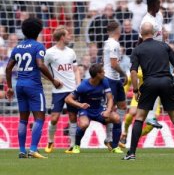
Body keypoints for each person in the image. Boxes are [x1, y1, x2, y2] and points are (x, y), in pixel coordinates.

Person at [123, 22, 174, 160]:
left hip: (149, 83)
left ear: (141, 33)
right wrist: (173, 79)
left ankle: (131, 153)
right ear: (154, 32)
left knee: (139, 118)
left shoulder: (138, 49)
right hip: (166, 82)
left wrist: (136, 90)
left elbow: (133, 72)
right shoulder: (165, 46)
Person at [5, 17, 62, 159]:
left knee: (23, 119)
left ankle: (22, 150)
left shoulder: (17, 47)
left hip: (20, 85)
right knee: (39, 118)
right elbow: (41, 64)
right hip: (34, 86)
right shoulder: (38, 46)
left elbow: (8, 68)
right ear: (38, 31)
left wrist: (10, 87)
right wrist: (53, 80)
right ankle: (33, 149)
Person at [65, 64, 123, 154]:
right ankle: (76, 145)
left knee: (116, 118)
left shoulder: (104, 81)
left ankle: (115, 146)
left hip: (99, 109)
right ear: (97, 74)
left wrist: (108, 110)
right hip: (86, 110)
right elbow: (68, 99)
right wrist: (80, 105)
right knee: (84, 124)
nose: (105, 73)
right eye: (103, 71)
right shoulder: (83, 85)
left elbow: (110, 98)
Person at [44, 26, 81, 154]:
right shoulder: (49, 53)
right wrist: (52, 81)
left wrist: (78, 85)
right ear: (62, 37)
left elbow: (76, 70)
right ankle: (50, 141)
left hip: (71, 89)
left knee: (72, 117)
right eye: (68, 34)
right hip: (58, 90)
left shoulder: (71, 52)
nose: (70, 36)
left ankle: (72, 145)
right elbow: (42, 71)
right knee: (54, 118)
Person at [138, 0, 166, 129]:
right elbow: (139, 41)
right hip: (150, 57)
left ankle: (150, 116)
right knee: (155, 87)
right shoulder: (146, 21)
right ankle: (148, 116)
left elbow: (161, 36)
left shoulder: (159, 16)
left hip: (160, 55)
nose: (160, 4)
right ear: (153, 4)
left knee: (159, 87)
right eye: (158, 2)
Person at [102, 22, 127, 151]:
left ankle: (117, 134)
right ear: (118, 30)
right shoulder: (114, 44)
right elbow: (113, 64)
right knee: (110, 110)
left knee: (122, 106)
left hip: (115, 79)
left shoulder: (108, 43)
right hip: (110, 79)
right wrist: (124, 74)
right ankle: (109, 138)